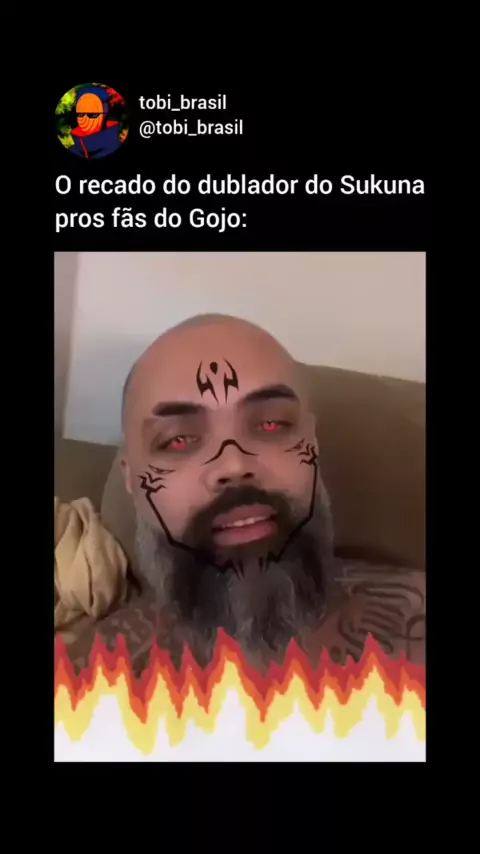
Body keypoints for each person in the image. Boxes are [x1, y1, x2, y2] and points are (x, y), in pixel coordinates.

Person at [57, 314, 425, 675]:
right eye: (179, 439)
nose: (234, 465)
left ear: (312, 444)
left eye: (272, 424)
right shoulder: (89, 680)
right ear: (132, 480)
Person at [69, 87, 122, 160]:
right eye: (80, 114)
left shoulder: (114, 146)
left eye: (92, 114)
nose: (84, 119)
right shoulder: (75, 149)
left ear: (106, 110)